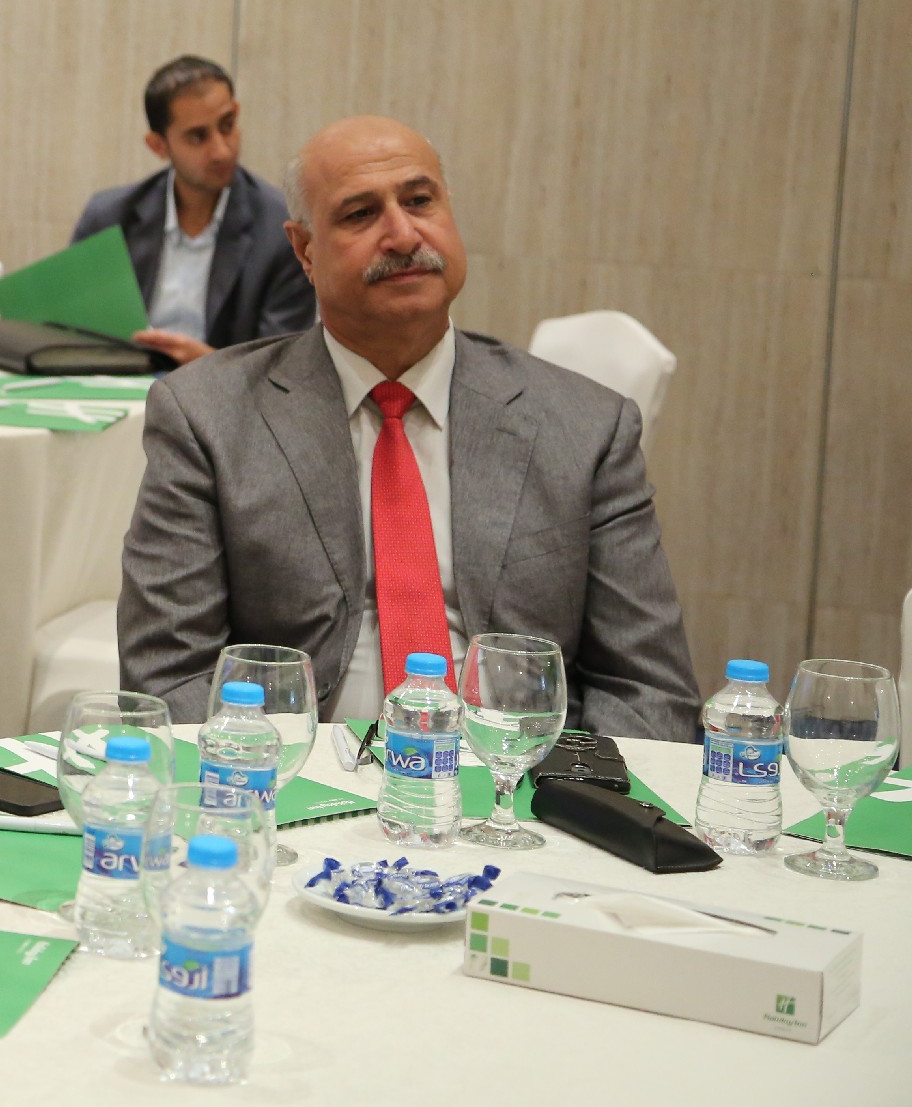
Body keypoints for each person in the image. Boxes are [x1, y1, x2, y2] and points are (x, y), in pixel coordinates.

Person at [115, 117, 701, 740]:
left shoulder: (586, 427)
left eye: (420, 201)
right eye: (360, 214)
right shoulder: (208, 416)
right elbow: (169, 676)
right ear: (305, 250)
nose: (402, 235)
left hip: (518, 777)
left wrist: (564, 790)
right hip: (292, 774)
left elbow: (646, 688)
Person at [72, 55, 315, 364]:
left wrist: (207, 368)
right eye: (198, 137)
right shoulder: (109, 217)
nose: (221, 150)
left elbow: (282, 366)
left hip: (224, 391)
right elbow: (71, 332)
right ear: (159, 146)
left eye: (227, 125)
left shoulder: (282, 229)